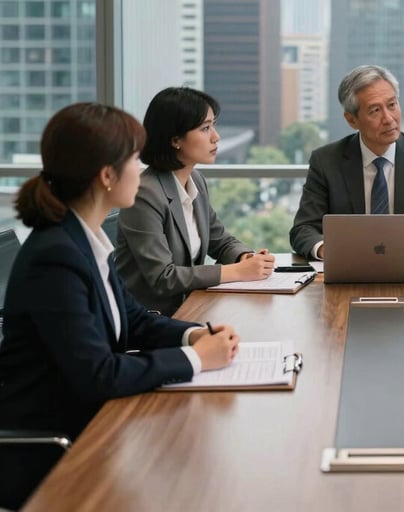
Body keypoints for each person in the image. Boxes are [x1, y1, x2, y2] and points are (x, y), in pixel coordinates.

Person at [0, 103, 239, 510]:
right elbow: (99, 373)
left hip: (96, 425)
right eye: (133, 158)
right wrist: (195, 359)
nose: (141, 168)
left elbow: (132, 317)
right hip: (57, 449)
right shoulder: (55, 257)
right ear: (106, 176)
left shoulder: (83, 239)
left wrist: (193, 333)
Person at [115, 87, 275, 316]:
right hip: (151, 321)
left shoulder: (195, 180)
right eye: (205, 128)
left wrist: (245, 258)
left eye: (213, 125)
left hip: (191, 308)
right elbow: (163, 277)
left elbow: (220, 241)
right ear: (175, 139)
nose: (216, 137)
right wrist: (238, 272)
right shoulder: (144, 194)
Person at [290, 64, 404, 259]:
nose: (389, 119)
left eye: (392, 105)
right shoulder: (326, 161)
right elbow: (303, 229)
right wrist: (327, 251)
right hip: (349, 271)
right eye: (375, 110)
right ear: (351, 120)